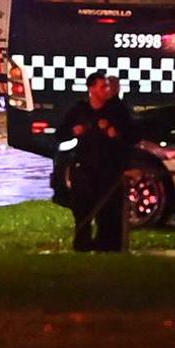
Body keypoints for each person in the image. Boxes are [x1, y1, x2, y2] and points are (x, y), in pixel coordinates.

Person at [60, 71, 135, 253]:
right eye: (102, 87)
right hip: (84, 168)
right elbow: (60, 134)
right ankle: (83, 244)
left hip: (109, 168)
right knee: (82, 209)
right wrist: (73, 131)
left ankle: (108, 246)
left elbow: (132, 135)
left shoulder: (116, 110)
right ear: (91, 88)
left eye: (107, 87)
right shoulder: (79, 110)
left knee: (109, 210)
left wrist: (114, 132)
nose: (106, 91)